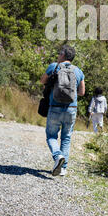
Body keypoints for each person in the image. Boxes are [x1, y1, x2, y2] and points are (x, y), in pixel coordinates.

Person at [40, 45, 85, 177]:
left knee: (51, 136)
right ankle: (63, 169)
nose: (58, 55)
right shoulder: (78, 71)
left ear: (64, 55)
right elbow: (82, 92)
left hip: (54, 107)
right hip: (71, 109)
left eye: (60, 53)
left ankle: (57, 155)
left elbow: (42, 81)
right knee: (66, 137)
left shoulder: (54, 66)